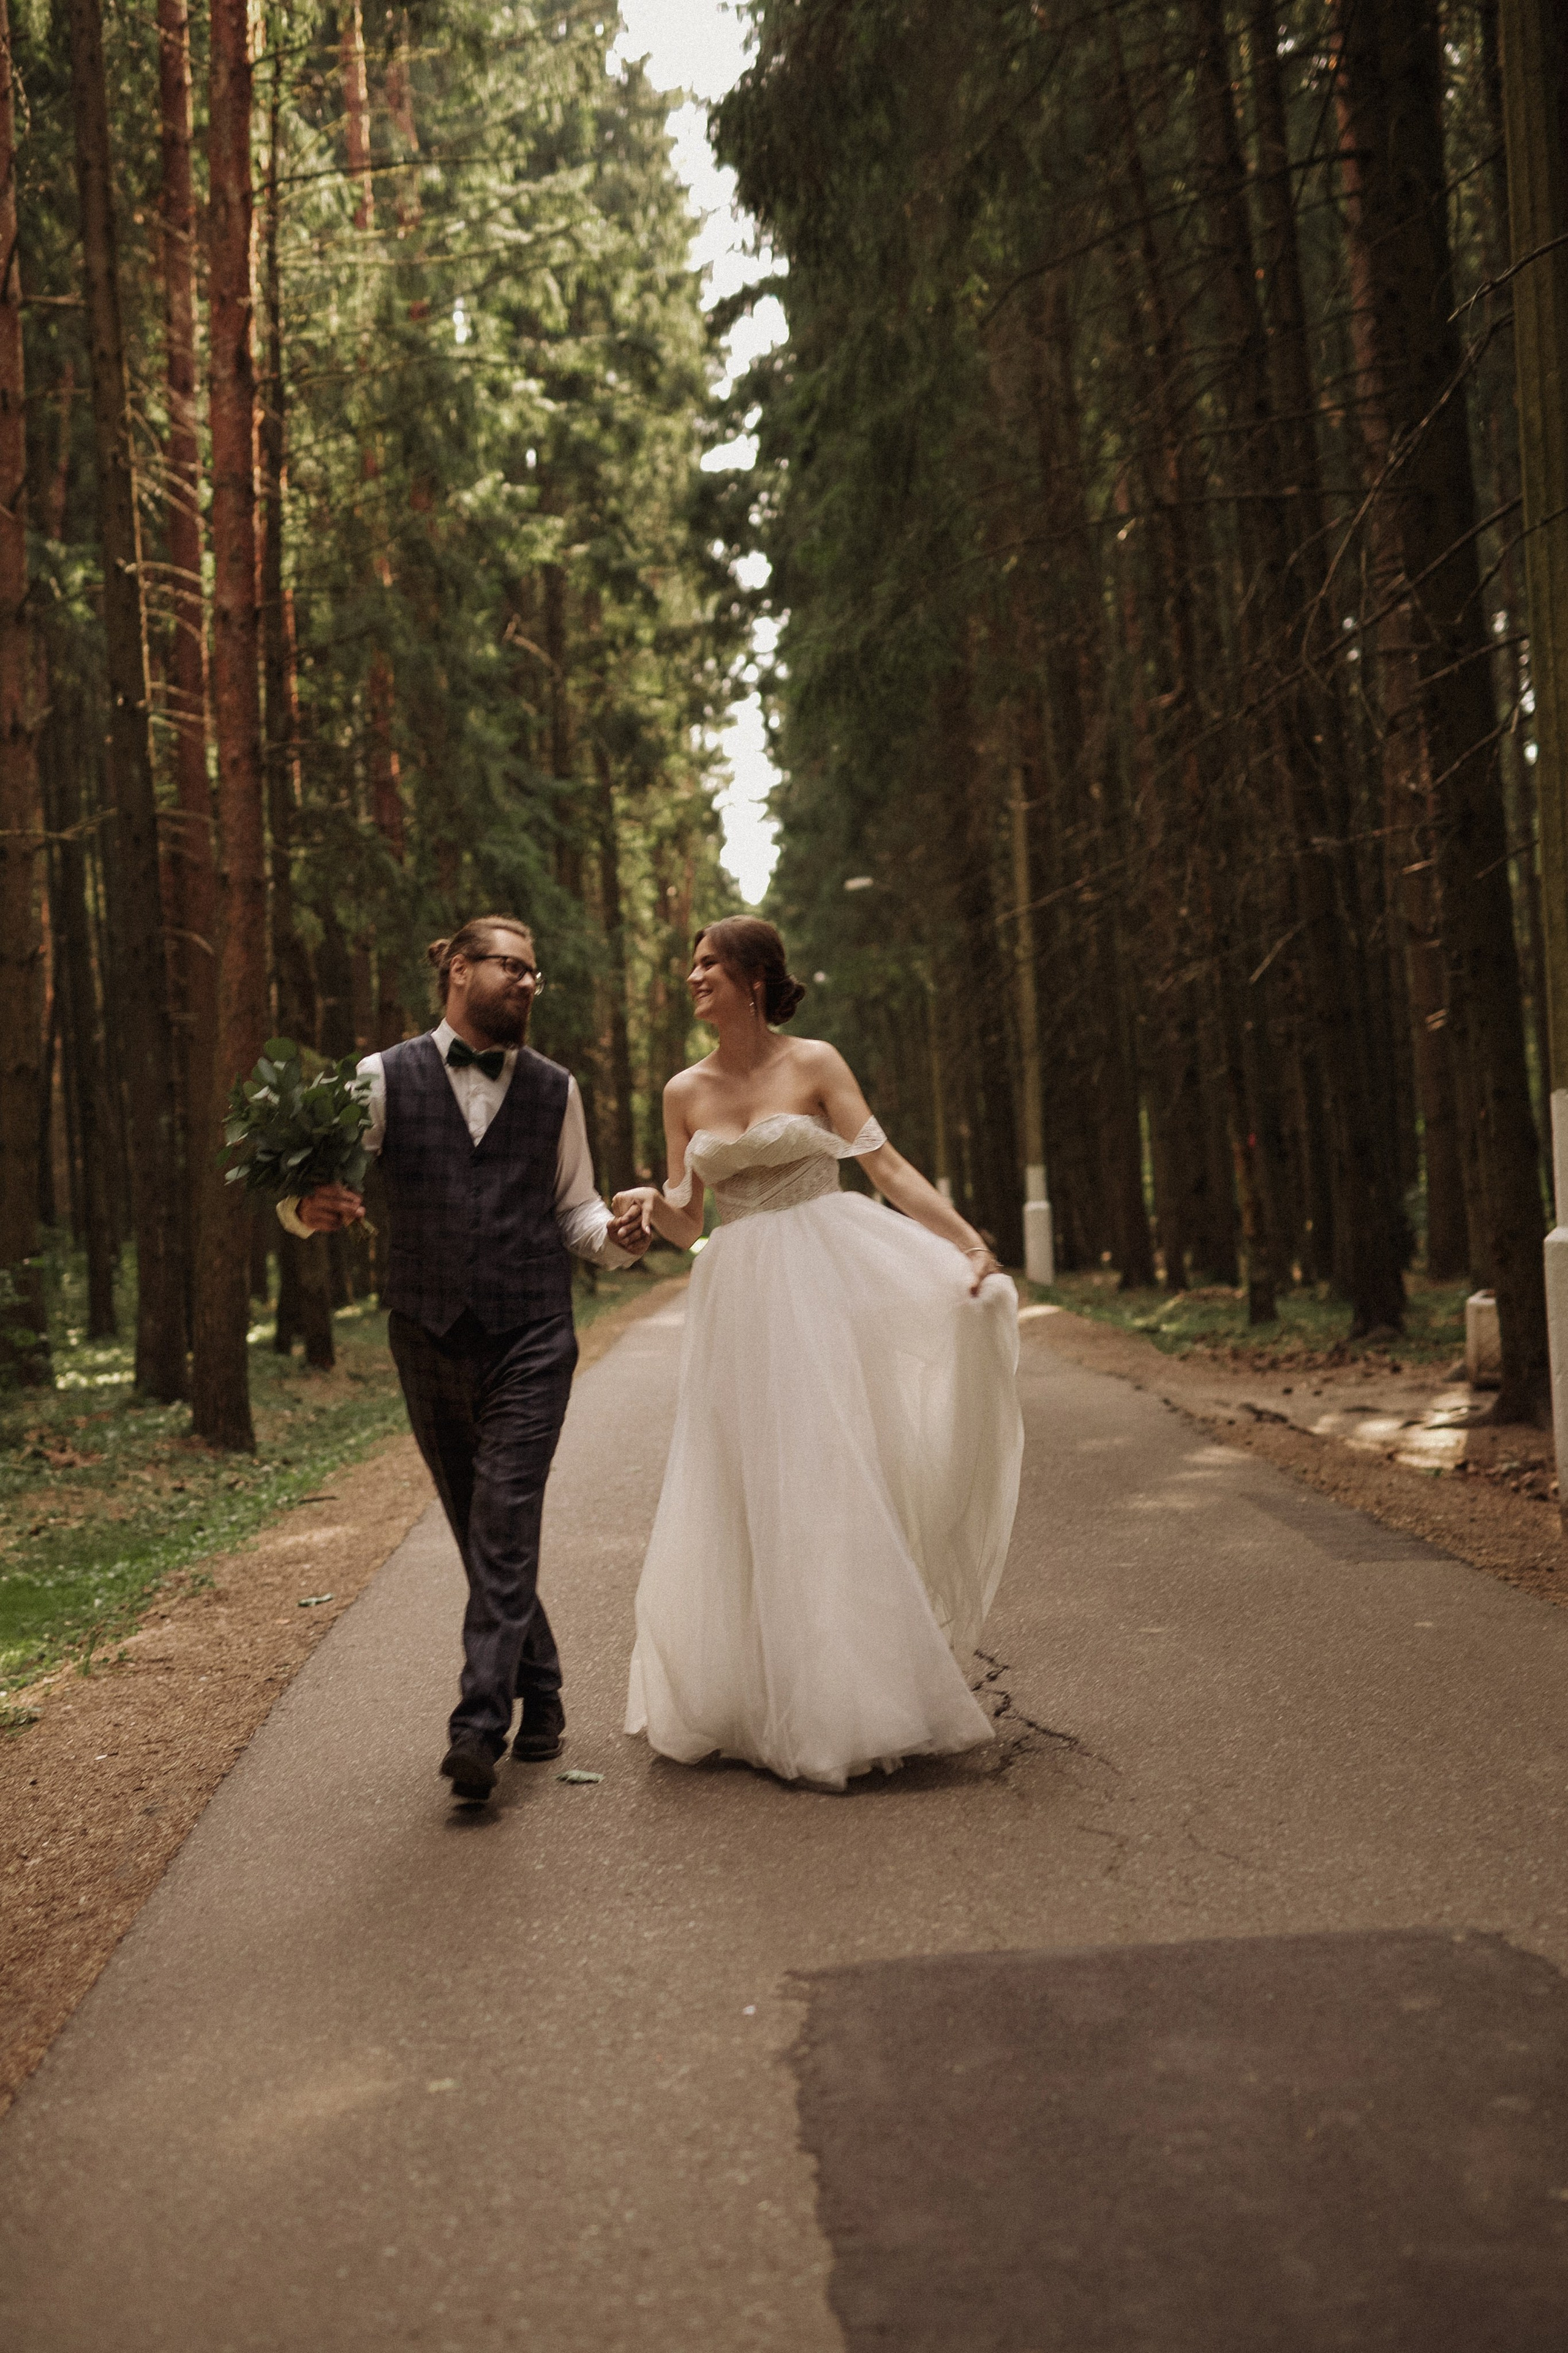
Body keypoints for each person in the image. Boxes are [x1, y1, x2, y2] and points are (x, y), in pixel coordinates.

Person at [611, 917, 1023, 1792]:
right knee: (751, 1484)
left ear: (755, 978)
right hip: (739, 1299)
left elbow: (890, 1170)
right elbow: (690, 1218)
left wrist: (966, 1242)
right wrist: (649, 1202)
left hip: (828, 1283)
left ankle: (854, 1700)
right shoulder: (684, 1089)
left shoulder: (817, 1063)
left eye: (708, 965)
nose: (693, 978)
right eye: (691, 966)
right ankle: (757, 1700)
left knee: (831, 1476)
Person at [282, 915, 649, 1803]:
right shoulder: (379, 1076)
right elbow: (315, 1188)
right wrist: (307, 1210)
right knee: (477, 1524)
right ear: (456, 968)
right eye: (510, 967)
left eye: (534, 971)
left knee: (505, 1516)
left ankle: (479, 1725)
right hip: (426, 1333)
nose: (526, 983)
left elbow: (577, 1212)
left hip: (532, 1332)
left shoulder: (557, 1088)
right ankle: (546, 1683)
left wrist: (624, 1239)